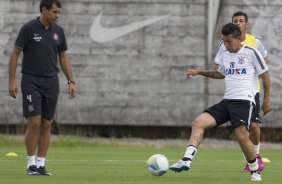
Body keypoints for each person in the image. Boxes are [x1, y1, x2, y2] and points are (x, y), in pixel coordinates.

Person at [169, 23, 271, 181]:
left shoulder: (251, 52)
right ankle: (186, 160)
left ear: (238, 38)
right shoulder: (226, 54)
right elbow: (219, 74)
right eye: (224, 41)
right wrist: (198, 72)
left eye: (229, 41)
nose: (226, 44)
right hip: (227, 101)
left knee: (241, 136)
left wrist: (266, 100)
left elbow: (265, 75)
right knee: (198, 123)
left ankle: (254, 170)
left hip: (245, 100)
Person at [8, 0, 77, 176]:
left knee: (47, 123)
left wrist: (71, 81)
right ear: (44, 10)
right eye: (54, 12)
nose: (57, 15)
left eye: (59, 12)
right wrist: (12, 81)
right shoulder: (28, 29)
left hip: (51, 82)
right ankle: (30, 164)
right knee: (34, 122)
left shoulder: (58, 31)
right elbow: (15, 54)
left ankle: (41, 165)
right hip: (31, 81)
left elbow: (63, 57)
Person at [213, 11, 269, 172]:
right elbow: (217, 66)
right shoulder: (225, 44)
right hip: (236, 93)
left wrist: (255, 74)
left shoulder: (255, 43)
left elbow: (264, 62)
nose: (238, 23)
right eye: (235, 21)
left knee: (254, 125)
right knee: (243, 130)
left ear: (246, 24)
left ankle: (256, 156)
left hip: (253, 91)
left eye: (241, 20)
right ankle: (252, 160)